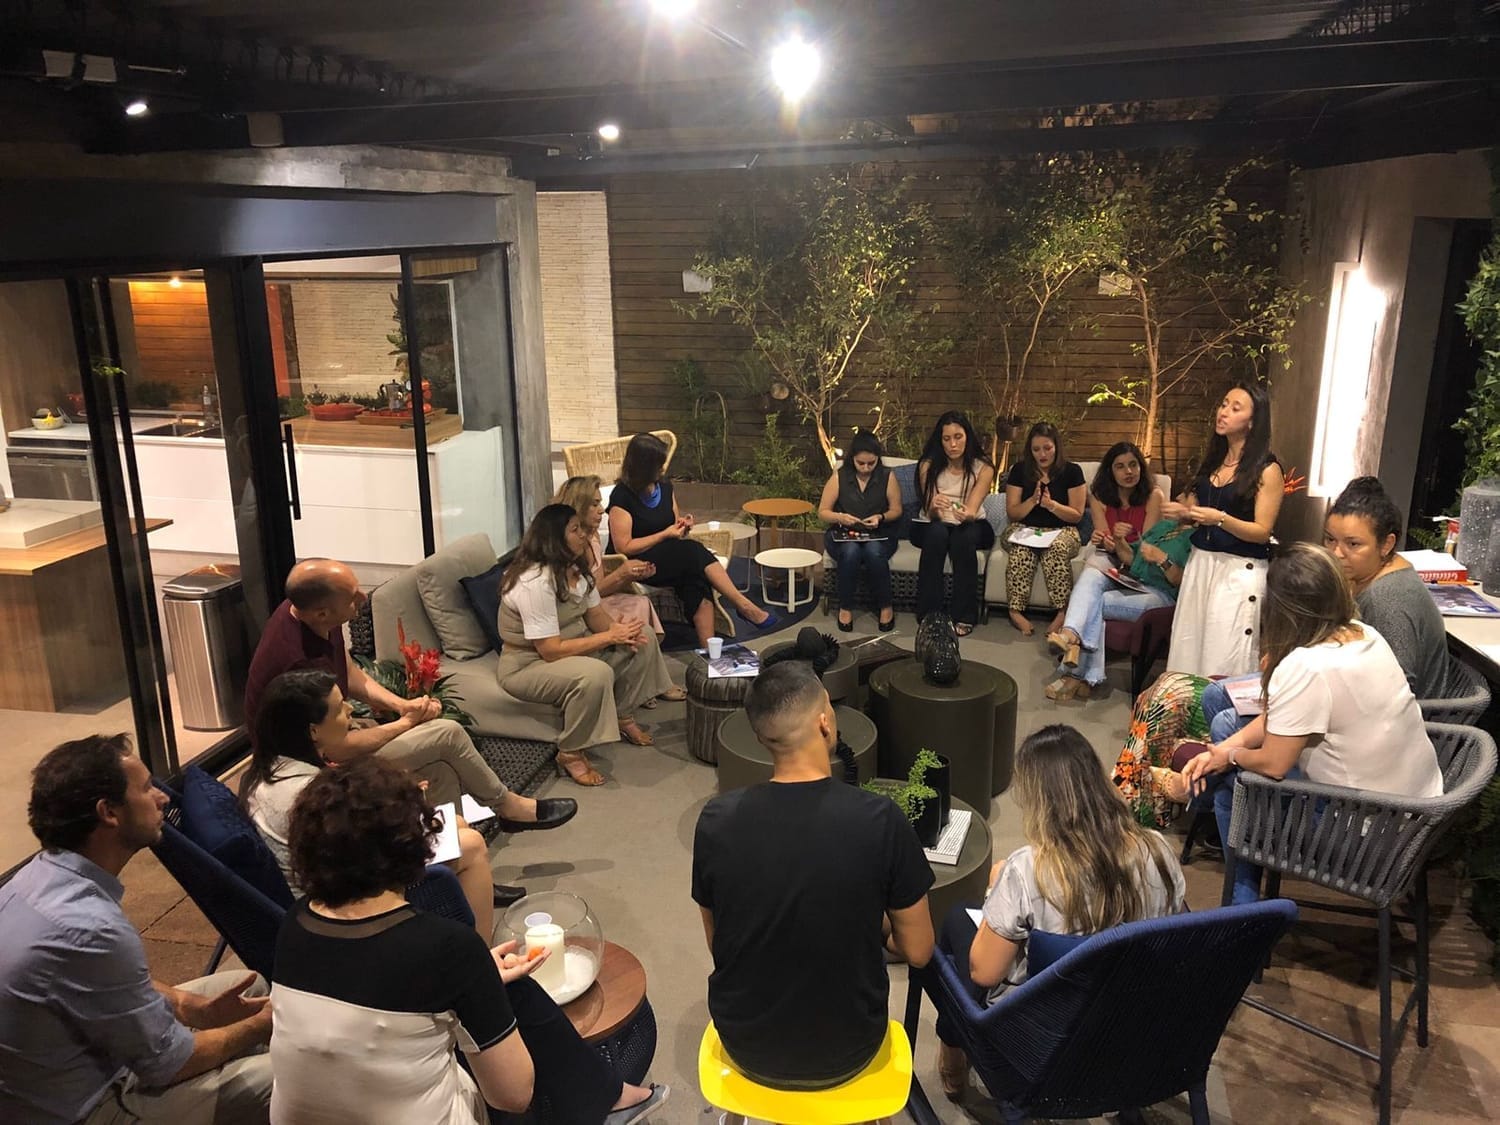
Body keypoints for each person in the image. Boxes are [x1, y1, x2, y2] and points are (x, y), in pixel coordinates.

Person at [268, 759, 668, 1125]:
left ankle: (606, 1099)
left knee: (500, 988)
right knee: (515, 1001)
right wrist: (475, 990)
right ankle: (605, 1100)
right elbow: (512, 1095)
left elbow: (365, 987)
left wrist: (475, 982)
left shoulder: (294, 924)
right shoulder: (447, 946)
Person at [0, 734, 273, 1124]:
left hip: (73, 1066)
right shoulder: (89, 928)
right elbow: (169, 1064)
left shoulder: (32, 880)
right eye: (146, 789)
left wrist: (190, 1006)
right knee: (288, 1075)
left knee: (252, 986)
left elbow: (104, 981)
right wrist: (261, 1024)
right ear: (109, 813)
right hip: (90, 1106)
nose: (162, 798)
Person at [691, 662, 935, 1089]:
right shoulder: (881, 820)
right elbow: (918, 951)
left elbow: (719, 943)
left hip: (745, 1043)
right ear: (825, 722)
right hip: (850, 1047)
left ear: (762, 736)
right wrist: (879, 932)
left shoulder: (715, 820)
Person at [1175, 543, 1443, 904]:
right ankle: (1239, 901)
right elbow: (1280, 719)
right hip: (1415, 818)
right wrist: (1224, 750)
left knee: (1234, 788)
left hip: (1367, 838)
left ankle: (1241, 910)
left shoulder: (1305, 666)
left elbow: (1274, 763)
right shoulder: (1364, 633)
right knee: (1229, 745)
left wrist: (1231, 757)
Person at [935, 725, 1186, 1100]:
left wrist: (996, 890)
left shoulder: (1028, 869)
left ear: (1039, 800)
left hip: (1046, 1039)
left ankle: (953, 1052)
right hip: (1129, 1023)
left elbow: (984, 972)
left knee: (959, 920)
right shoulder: (1159, 850)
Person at [242, 557, 575, 832]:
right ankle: (508, 807)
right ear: (322, 613)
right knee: (447, 733)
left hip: (333, 734)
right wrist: (406, 723)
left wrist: (402, 705)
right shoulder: (296, 662)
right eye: (353, 597)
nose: (362, 599)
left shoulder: (308, 612)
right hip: (317, 770)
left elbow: (349, 672)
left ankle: (457, 862)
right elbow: (337, 748)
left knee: (441, 770)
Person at [240, 669, 506, 929]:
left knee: (456, 823)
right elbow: (364, 853)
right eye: (339, 708)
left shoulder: (269, 769)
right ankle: (480, 954)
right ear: (313, 731)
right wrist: (405, 803)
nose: (350, 710)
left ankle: (447, 929)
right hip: (339, 904)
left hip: (334, 873)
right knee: (471, 845)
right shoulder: (306, 793)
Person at [1199, 475, 1449, 744]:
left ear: (1386, 544)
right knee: (1216, 694)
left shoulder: (1387, 599)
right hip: (1334, 689)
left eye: (1353, 544)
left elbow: (1393, 697)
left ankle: (1248, 769)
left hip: (1373, 732)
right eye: (1330, 540)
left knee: (1227, 723)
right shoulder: (1363, 577)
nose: (1337, 553)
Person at [499, 503, 679, 786]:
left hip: (572, 646)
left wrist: (619, 631)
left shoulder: (576, 570)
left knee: (642, 636)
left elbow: (595, 617)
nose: (584, 534)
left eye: (581, 528)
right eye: (575, 530)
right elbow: (550, 651)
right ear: (554, 539)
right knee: (595, 674)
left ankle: (622, 714)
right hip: (528, 664)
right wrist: (608, 637)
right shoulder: (536, 583)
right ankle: (570, 752)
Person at [606, 432, 777, 647]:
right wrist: (665, 534)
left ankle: (710, 652)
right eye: (658, 464)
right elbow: (624, 546)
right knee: (692, 551)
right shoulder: (622, 495)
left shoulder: (664, 486)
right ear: (643, 466)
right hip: (637, 563)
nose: (662, 468)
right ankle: (743, 606)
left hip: (669, 556)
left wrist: (682, 526)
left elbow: (673, 523)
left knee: (696, 580)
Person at [1164, 382, 1284, 678]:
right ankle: (1186, 707)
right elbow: (1203, 515)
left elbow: (1262, 531)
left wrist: (1220, 518)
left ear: (1253, 421)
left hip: (1237, 570)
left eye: (1235, 408)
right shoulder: (1214, 462)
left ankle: (1220, 708)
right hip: (1201, 564)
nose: (1224, 412)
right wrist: (1187, 514)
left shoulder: (1267, 469)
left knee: (1224, 656)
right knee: (1188, 649)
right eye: (1223, 404)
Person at [554, 474, 689, 710]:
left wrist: (630, 575)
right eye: (595, 504)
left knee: (640, 604)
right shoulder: (569, 546)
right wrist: (621, 574)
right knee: (635, 610)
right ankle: (643, 685)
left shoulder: (592, 537)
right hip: (578, 610)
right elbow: (586, 594)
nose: (602, 511)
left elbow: (595, 588)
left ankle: (644, 680)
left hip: (594, 601)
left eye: (600, 503)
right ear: (579, 506)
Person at [1043, 515, 1193, 701]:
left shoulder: (1197, 538)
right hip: (1136, 583)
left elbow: (1182, 580)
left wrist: (1162, 559)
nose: (1176, 502)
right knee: (1091, 575)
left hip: (1162, 596)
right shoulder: (1164, 526)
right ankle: (1070, 635)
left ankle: (1075, 671)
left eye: (1184, 499)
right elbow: (1131, 558)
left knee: (1095, 602)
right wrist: (1119, 540)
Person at [913, 411, 998, 637]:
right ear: (940, 440)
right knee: (937, 534)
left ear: (967, 437)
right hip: (934, 522)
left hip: (970, 522)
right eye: (947, 438)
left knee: (963, 537)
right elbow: (930, 510)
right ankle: (930, 614)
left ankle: (964, 615)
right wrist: (934, 506)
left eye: (958, 437)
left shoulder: (984, 467)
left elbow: (972, 508)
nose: (953, 444)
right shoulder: (928, 465)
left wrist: (965, 514)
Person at [1002, 421, 1086, 637]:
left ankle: (1062, 612)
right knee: (1021, 549)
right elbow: (1013, 513)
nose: (1042, 454)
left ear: (1056, 446)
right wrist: (1032, 501)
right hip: (1025, 528)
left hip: (1062, 530)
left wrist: (1052, 505)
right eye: (1036, 449)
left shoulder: (1072, 471)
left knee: (1055, 549)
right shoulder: (1019, 470)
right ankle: (1015, 611)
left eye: (1047, 448)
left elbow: (1076, 514)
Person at [817, 431, 903, 632]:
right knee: (851, 551)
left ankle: (885, 606)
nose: (865, 468)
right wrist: (841, 517)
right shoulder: (840, 476)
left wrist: (880, 517)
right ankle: (845, 606)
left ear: (877, 459)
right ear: (852, 459)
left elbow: (897, 510)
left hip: (879, 532)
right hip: (843, 532)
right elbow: (822, 512)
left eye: (871, 463)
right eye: (860, 463)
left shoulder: (887, 476)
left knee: (874, 551)